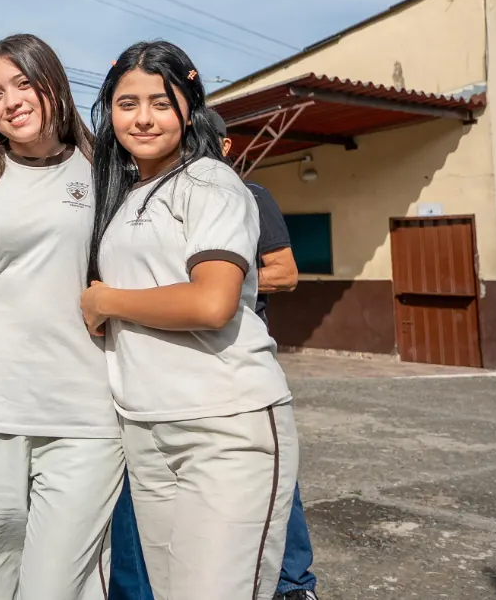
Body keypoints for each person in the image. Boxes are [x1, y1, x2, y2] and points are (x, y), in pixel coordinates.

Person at [80, 41, 298, 600]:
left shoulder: (211, 182)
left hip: (225, 426)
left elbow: (211, 302)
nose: (143, 118)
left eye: (161, 101)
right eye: (127, 104)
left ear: (190, 107)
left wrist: (107, 301)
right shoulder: (124, 195)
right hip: (148, 429)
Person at [0, 34, 121, 600]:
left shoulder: (104, 171)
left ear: (54, 84)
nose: (11, 102)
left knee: (58, 585)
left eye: (24, 83)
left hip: (85, 413)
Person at [212, 116, 318, 600]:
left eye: (203, 138)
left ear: (226, 145)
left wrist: (218, 277)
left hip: (242, 353)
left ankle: (295, 584)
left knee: (273, 475)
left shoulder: (251, 196)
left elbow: (286, 272)